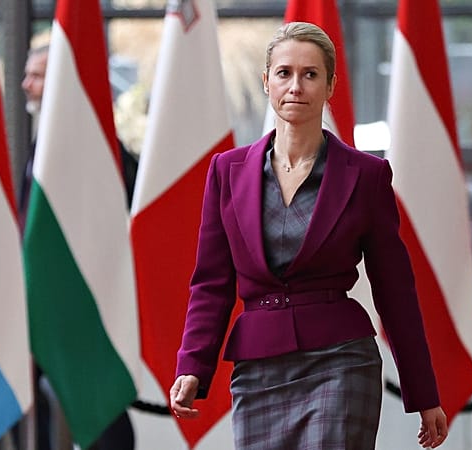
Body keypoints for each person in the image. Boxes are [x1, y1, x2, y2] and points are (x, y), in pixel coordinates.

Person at [170, 21, 448, 449]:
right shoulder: (227, 172)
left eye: (310, 74)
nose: (296, 86)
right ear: (267, 81)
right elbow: (211, 282)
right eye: (284, 73)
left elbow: (395, 290)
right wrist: (193, 365)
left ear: (330, 85)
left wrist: (423, 393)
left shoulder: (367, 175)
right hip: (258, 367)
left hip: (341, 361)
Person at [19, 43, 138, 450]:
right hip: (40, 293)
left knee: (97, 402)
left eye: (36, 76)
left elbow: (126, 192)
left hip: (83, 294)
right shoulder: (40, 144)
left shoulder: (94, 143)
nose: (25, 85)